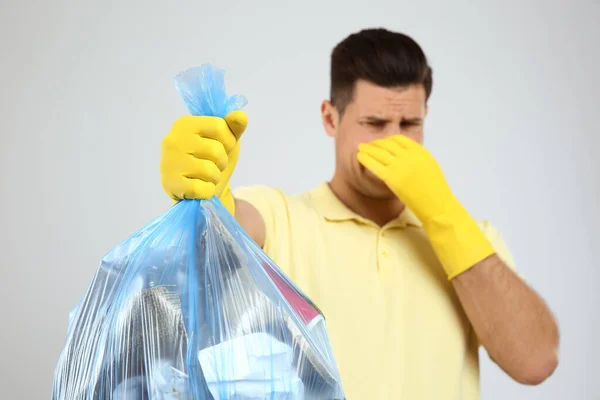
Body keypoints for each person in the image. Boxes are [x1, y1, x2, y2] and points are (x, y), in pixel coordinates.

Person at [159, 28, 560, 399]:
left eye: (409, 124)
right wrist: (207, 198)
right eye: (375, 123)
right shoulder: (281, 217)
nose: (394, 141)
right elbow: (216, 239)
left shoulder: (473, 238)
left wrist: (441, 212)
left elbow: (535, 361)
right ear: (330, 118)